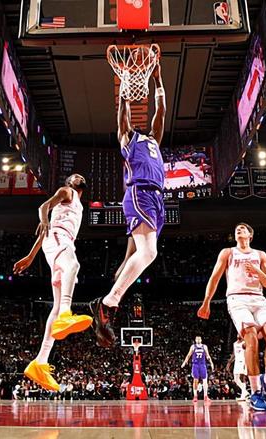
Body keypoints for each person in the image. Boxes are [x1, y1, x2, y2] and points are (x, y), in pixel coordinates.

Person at [90, 51, 166, 347]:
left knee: (142, 252)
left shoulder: (154, 139)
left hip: (157, 199)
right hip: (140, 192)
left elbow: (161, 113)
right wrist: (124, 86)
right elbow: (123, 116)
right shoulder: (128, 139)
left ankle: (111, 297)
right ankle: (108, 302)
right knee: (150, 253)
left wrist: (158, 80)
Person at [14, 174, 93, 391]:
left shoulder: (78, 204)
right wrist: (44, 219)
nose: (78, 176)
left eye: (81, 175)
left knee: (55, 306)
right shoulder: (67, 192)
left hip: (60, 240)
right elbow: (44, 207)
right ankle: (66, 315)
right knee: (73, 266)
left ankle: (40, 362)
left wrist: (31, 256)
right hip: (59, 238)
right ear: (69, 182)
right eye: (74, 176)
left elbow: (48, 228)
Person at [197, 223, 266, 411]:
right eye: (237, 229)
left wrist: (256, 271)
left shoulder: (260, 255)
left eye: (243, 228)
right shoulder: (228, 252)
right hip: (237, 299)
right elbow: (214, 278)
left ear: (250, 235)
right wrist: (206, 301)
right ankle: (255, 391)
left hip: (259, 299)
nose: (238, 230)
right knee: (251, 337)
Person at [181, 336, 214, 402]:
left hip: (202, 364)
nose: (198, 340)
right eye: (197, 339)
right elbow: (188, 355)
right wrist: (184, 362)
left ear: (201, 340)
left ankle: (206, 396)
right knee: (195, 380)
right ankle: (195, 396)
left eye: (199, 339)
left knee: (205, 380)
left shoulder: (204, 346)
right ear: (195, 340)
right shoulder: (193, 346)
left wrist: (211, 363)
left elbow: (208, 355)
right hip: (195, 365)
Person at [226, 335, 249, 401]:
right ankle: (245, 392)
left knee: (242, 378)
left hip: (243, 361)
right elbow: (234, 354)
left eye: (240, 334)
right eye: (238, 334)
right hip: (237, 362)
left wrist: (246, 362)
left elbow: (247, 353)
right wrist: (229, 363)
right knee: (236, 379)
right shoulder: (235, 344)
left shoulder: (244, 343)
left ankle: (243, 395)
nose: (239, 335)